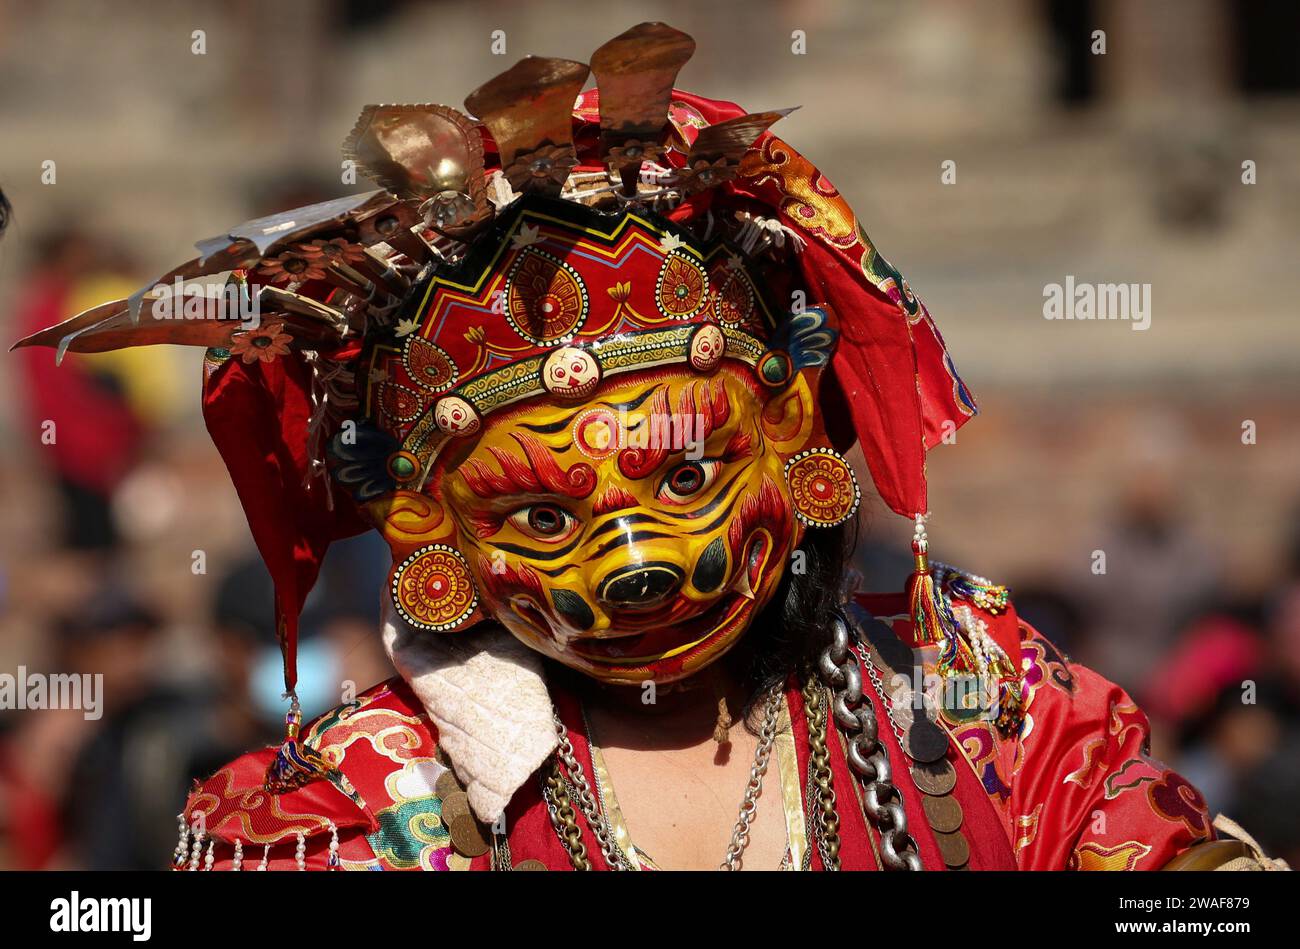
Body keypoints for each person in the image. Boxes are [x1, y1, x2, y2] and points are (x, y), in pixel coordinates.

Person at [14, 24, 1284, 872]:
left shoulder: (975, 698)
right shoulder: (332, 823)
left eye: (686, 475)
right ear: (426, 530)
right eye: (545, 517)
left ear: (787, 433)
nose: (639, 563)